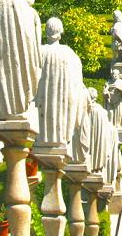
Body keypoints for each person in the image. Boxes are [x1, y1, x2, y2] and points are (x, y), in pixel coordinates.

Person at [35, 17, 86, 150]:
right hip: (62, 117)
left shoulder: (39, 52)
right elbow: (77, 86)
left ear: (46, 31)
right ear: (61, 32)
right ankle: (61, 136)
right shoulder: (70, 54)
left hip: (42, 108)